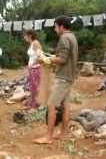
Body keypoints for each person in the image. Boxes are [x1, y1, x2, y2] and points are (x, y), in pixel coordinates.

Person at [34, 16, 78, 144]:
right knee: (65, 105)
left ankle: (48, 136)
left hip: (63, 77)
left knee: (51, 105)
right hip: (69, 75)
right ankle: (63, 134)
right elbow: (66, 56)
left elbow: (63, 59)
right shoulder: (72, 37)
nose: (54, 29)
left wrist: (47, 59)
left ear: (61, 26)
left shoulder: (64, 38)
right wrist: (53, 56)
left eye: (55, 26)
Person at [23, 30, 42, 110]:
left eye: (25, 36)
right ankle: (32, 103)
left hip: (36, 68)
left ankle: (35, 105)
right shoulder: (31, 44)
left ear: (29, 35)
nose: (24, 37)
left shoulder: (35, 43)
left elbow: (40, 55)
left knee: (35, 86)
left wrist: (32, 65)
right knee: (32, 86)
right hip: (32, 68)